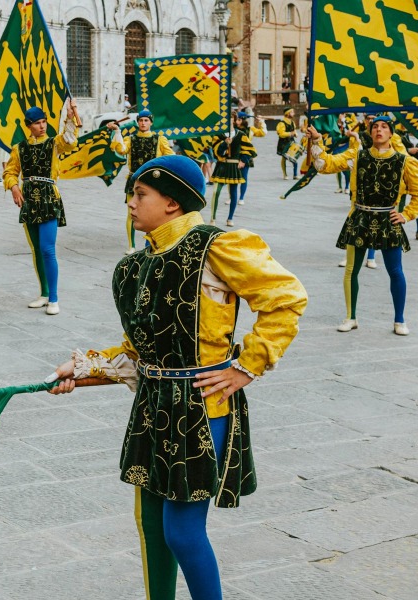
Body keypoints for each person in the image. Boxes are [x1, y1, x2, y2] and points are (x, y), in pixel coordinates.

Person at [46, 155, 307, 600]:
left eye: (140, 194)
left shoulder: (217, 246)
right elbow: (138, 354)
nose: (130, 203)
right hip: (151, 406)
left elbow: (286, 297)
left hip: (202, 405)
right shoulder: (132, 267)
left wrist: (247, 365)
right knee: (151, 526)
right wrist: (85, 368)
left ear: (172, 202)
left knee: (183, 533)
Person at [308, 115, 418, 335]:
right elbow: (323, 165)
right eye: (375, 127)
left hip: (387, 219)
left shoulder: (404, 161)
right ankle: (350, 317)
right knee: (351, 270)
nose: (379, 130)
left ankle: (399, 320)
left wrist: (406, 215)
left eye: (384, 127)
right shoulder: (357, 156)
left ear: (391, 133)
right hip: (360, 218)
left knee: (395, 271)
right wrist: (316, 140)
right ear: (370, 132)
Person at [2, 102, 79, 315]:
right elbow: (10, 172)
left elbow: (70, 141)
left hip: (48, 198)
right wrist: (14, 188)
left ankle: (54, 298)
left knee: (47, 249)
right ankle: (44, 293)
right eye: (37, 123)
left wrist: (70, 118)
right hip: (29, 200)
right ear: (29, 126)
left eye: (44, 122)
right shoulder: (19, 148)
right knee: (36, 249)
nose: (42, 126)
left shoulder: (54, 143)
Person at [113, 109, 174, 253]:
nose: (143, 123)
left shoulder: (159, 139)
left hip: (153, 181)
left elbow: (170, 157)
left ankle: (151, 244)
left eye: (146, 120)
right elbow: (121, 150)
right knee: (131, 213)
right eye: (140, 120)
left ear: (151, 122)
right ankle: (131, 246)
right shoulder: (131, 139)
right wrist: (117, 132)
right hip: (134, 181)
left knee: (154, 213)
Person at [209, 112, 257, 227]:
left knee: (233, 193)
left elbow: (250, 149)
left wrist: (243, 160)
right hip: (221, 166)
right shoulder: (218, 135)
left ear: (233, 120)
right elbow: (217, 153)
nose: (227, 120)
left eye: (230, 118)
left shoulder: (241, 134)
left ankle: (230, 218)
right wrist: (224, 144)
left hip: (234, 166)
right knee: (216, 192)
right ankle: (212, 218)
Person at [276, 108, 300, 180]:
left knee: (294, 157)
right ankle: (285, 174)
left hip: (291, 142)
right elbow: (281, 134)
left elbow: (294, 131)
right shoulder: (282, 123)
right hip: (284, 142)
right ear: (288, 113)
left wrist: (295, 134)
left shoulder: (292, 122)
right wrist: (290, 133)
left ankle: (295, 175)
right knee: (284, 158)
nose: (293, 113)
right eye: (292, 112)